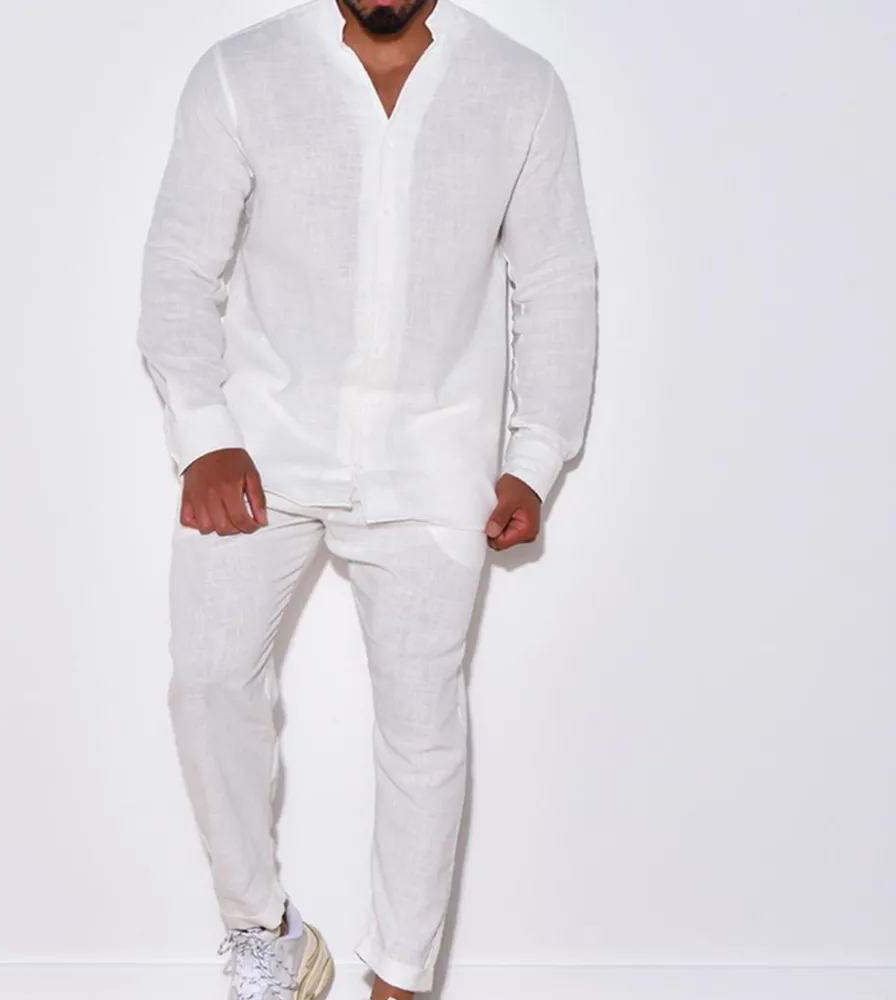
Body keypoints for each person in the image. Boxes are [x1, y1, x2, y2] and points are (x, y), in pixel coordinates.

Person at [136, 0, 597, 996]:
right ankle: (265, 931)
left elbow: (556, 281)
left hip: (436, 457)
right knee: (207, 681)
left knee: (422, 724)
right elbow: (178, 266)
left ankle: (398, 981)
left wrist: (536, 456)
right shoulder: (241, 72)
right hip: (261, 447)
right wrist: (204, 435)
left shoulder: (519, 88)